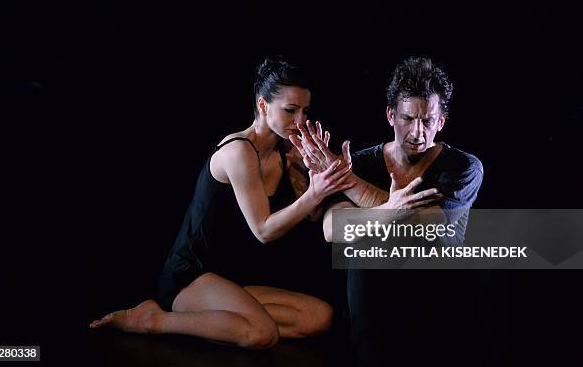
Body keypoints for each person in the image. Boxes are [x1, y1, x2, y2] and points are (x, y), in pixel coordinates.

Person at [89, 58, 355, 349]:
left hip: (232, 278)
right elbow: (264, 231)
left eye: (305, 111)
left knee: (319, 317)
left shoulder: (286, 153)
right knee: (262, 333)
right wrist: (315, 193)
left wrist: (317, 177)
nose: (300, 120)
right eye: (291, 110)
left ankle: (229, 318)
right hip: (191, 277)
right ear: (263, 106)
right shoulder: (239, 151)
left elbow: (311, 216)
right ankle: (153, 319)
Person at [291, 56, 483, 365]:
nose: (418, 132)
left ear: (442, 121)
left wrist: (349, 183)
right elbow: (332, 229)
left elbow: (432, 228)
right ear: (391, 116)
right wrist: (391, 209)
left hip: (439, 309)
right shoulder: (361, 163)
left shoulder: (464, 167)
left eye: (428, 120)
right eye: (408, 118)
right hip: (373, 314)